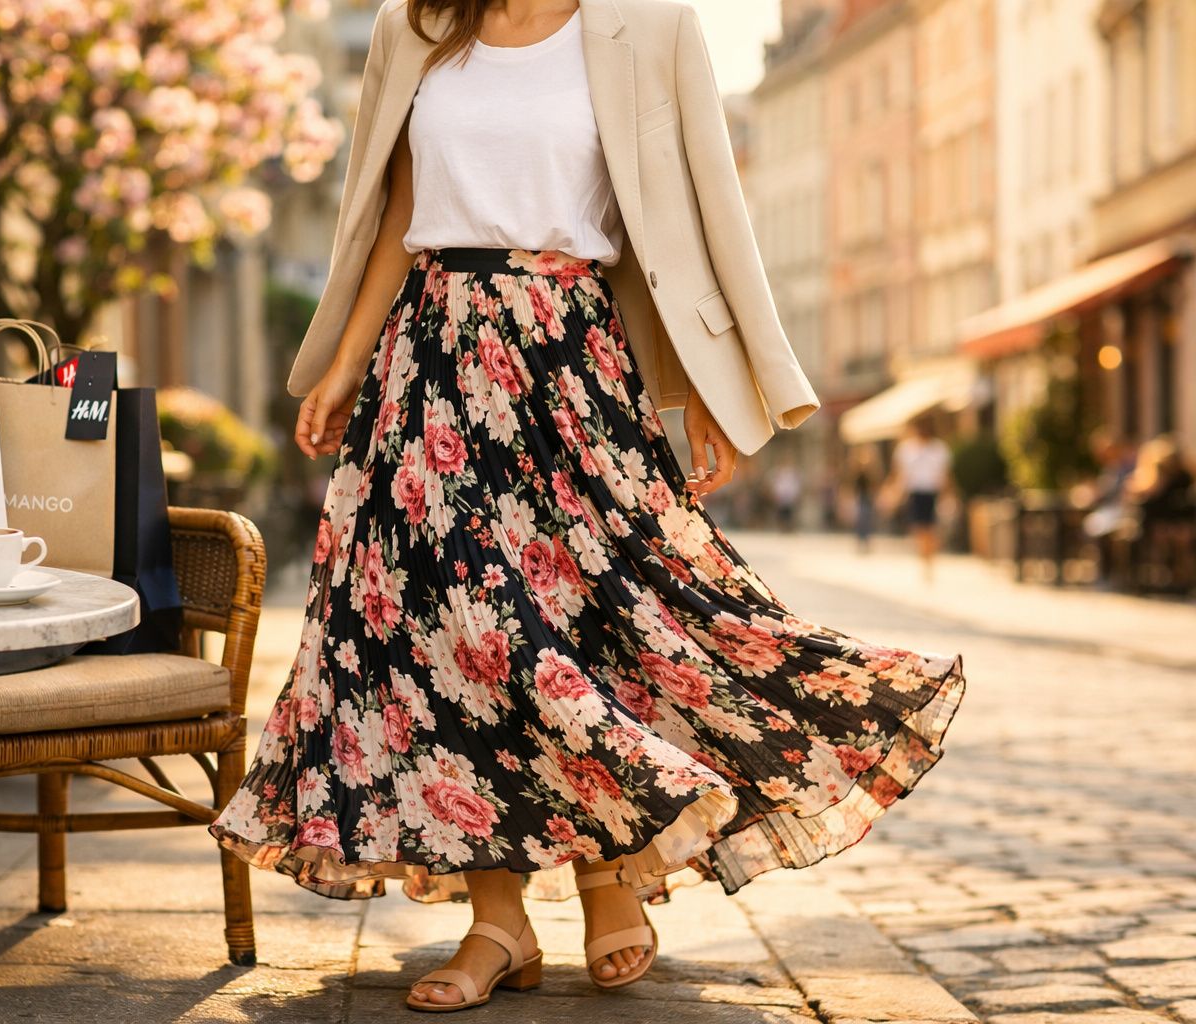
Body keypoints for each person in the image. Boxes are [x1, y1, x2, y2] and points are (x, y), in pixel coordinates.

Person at [210, 0, 968, 1011]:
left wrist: (709, 379)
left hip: (573, 360)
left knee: (598, 614)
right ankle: (497, 918)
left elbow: (706, 208)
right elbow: (396, 211)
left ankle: (610, 872)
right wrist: (345, 361)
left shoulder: (650, 28)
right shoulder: (418, 27)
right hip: (430, 362)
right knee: (456, 635)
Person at [888, 415, 952, 581]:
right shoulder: (906, 449)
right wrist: (895, 494)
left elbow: (944, 475)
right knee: (919, 529)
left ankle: (929, 560)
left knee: (930, 529)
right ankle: (925, 559)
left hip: (931, 492)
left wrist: (946, 495)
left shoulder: (938, 448)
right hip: (915, 493)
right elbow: (900, 474)